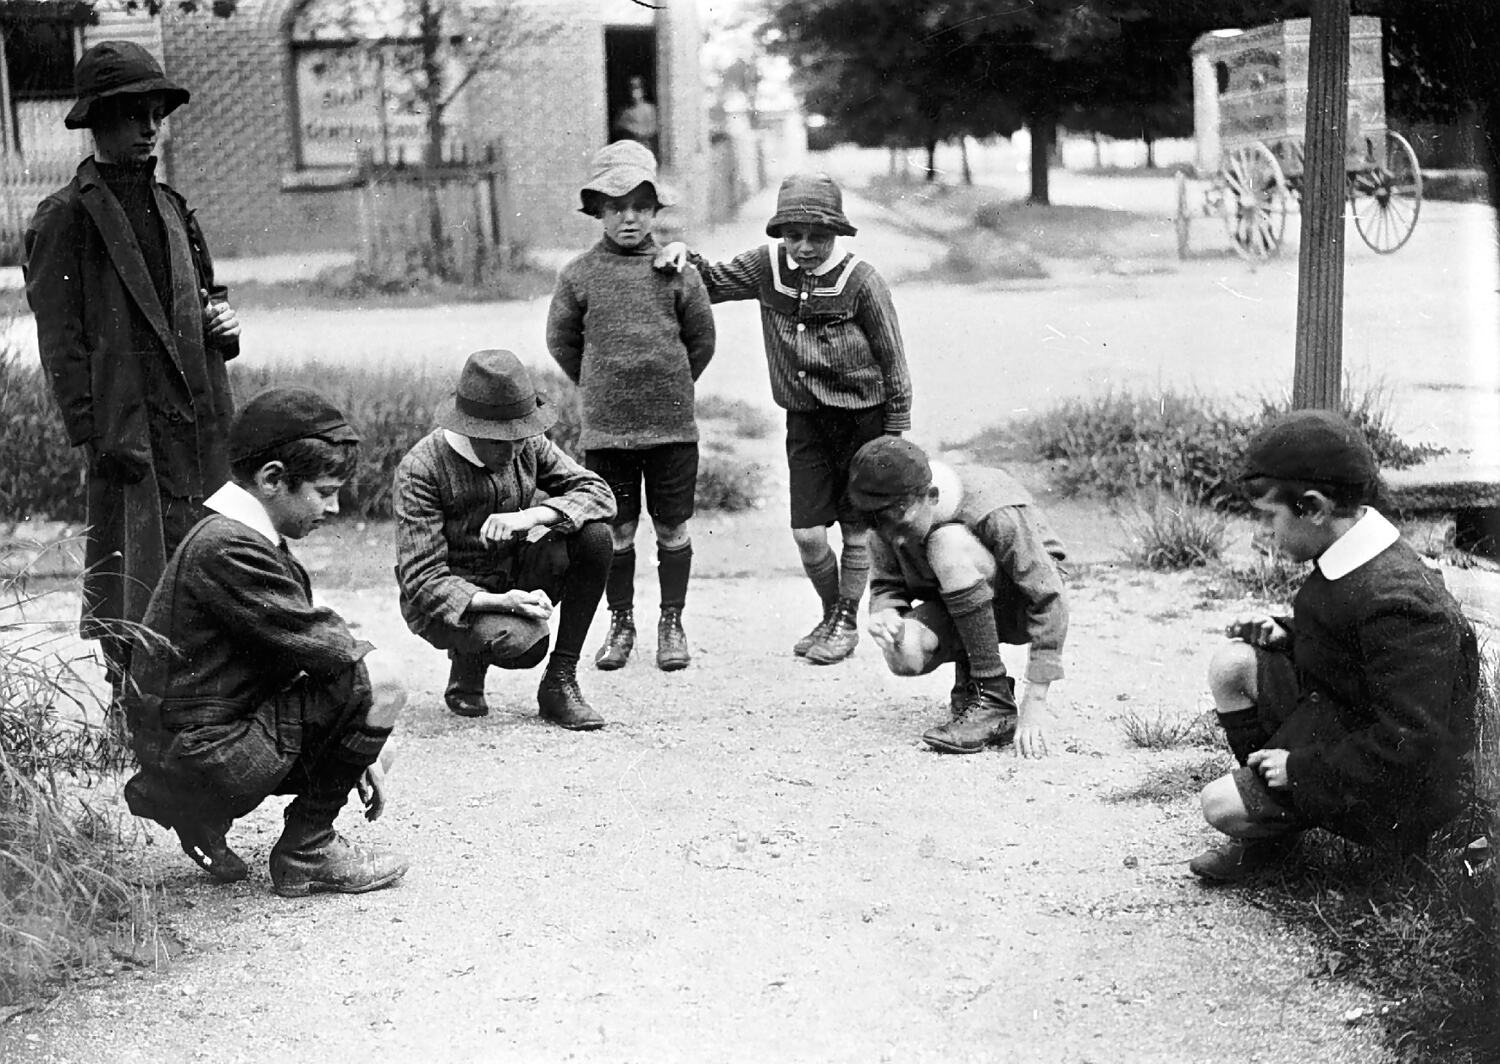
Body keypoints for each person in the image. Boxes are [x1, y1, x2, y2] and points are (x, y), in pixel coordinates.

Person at [121, 388, 409, 897]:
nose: (335, 507)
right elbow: (331, 651)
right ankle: (307, 850)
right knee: (384, 684)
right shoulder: (230, 547)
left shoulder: (230, 535)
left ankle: (202, 817)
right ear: (272, 479)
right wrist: (359, 745)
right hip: (202, 755)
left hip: (186, 745)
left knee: (366, 720)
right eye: (325, 491)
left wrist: (359, 747)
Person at [23, 40, 242, 695]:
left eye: (155, 115)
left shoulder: (174, 208)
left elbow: (205, 298)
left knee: (205, 559)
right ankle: (130, 703)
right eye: (132, 115)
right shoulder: (65, 218)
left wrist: (223, 327)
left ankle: (203, 701)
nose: (149, 129)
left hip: (196, 420)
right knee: (132, 574)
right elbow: (60, 344)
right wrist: (93, 436)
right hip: (128, 429)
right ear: (97, 122)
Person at [1190, 410, 1479, 882]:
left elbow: (1412, 742)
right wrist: (1287, 634)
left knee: (1219, 805)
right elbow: (1353, 649)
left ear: (1314, 507)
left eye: (1268, 518)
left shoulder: (1401, 603)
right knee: (1233, 666)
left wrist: (1301, 771)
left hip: (1399, 785)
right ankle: (1272, 828)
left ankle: (1290, 822)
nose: (1261, 535)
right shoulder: (1353, 551)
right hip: (1342, 719)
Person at [659, 173, 913, 665]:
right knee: (808, 534)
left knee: (856, 529)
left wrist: (894, 433)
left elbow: (893, 361)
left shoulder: (862, 281)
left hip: (863, 421)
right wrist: (681, 255)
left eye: (818, 236)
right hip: (806, 422)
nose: (805, 247)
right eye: (793, 235)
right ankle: (833, 612)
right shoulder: (766, 267)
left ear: (836, 233)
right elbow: (709, 282)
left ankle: (844, 621)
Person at [546, 140, 715, 672]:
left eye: (641, 207)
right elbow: (561, 341)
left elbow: (702, 341)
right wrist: (600, 382)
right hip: (608, 430)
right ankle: (621, 622)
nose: (629, 218)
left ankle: (672, 621)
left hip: (671, 429)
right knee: (616, 530)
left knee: (672, 528)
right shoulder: (578, 274)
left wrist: (670, 384)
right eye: (616, 207)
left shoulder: (677, 271)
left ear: (655, 211)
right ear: (598, 211)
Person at [394, 349, 617, 727]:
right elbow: (423, 580)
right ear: (469, 428)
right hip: (449, 599)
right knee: (525, 642)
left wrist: (530, 516)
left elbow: (599, 493)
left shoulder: (527, 444)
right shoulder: (421, 469)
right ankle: (468, 658)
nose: (514, 451)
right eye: (500, 441)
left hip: (512, 572)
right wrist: (503, 602)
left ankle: (560, 681)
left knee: (595, 538)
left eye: (520, 438)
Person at [847, 438, 1069, 757]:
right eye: (885, 530)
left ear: (932, 496)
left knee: (946, 543)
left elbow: (1049, 596)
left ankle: (992, 696)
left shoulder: (993, 506)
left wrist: (1035, 701)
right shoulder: (886, 518)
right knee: (904, 651)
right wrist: (885, 612)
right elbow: (886, 585)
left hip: (1020, 605)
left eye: (902, 526)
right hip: (963, 603)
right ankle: (977, 690)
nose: (896, 540)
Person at [612, 75, 659, 156]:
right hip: (632, 151)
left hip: (648, 150)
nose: (634, 91)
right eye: (632, 88)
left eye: (637, 87)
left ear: (643, 90)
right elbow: (619, 127)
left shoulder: (650, 109)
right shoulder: (625, 113)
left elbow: (653, 129)